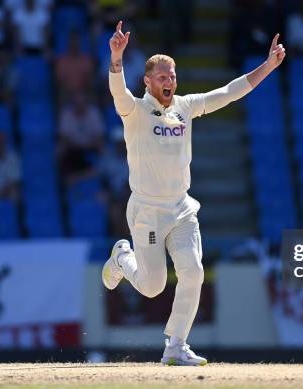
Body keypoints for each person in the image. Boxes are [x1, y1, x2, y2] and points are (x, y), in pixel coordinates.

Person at [103, 20, 285, 366]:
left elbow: (228, 93)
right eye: (162, 76)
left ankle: (175, 346)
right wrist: (116, 58)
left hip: (183, 208)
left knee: (194, 272)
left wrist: (268, 66)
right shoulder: (135, 111)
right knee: (153, 286)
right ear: (147, 81)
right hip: (148, 211)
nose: (169, 81)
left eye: (172, 76)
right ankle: (121, 258)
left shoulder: (185, 107)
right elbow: (117, 93)